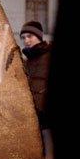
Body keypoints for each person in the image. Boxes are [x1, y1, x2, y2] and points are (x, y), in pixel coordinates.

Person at [20, 21, 52, 152]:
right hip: (32, 121)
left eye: (30, 36)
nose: (26, 40)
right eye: (23, 38)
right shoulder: (27, 62)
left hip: (48, 120)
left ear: (39, 36)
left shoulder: (50, 57)